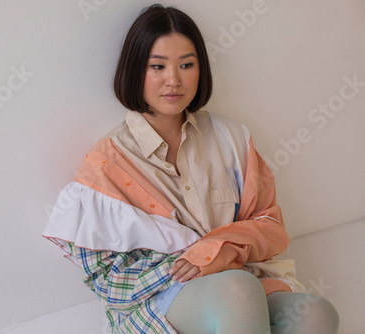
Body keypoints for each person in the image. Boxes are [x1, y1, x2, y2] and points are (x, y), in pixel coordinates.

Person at [43, 4, 339, 333]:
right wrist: (184, 265)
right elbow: (105, 278)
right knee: (237, 291)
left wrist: (216, 252)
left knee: (315, 313)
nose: (174, 80)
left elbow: (268, 225)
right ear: (135, 70)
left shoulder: (232, 139)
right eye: (157, 66)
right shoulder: (108, 162)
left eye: (187, 65)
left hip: (240, 282)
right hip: (159, 302)